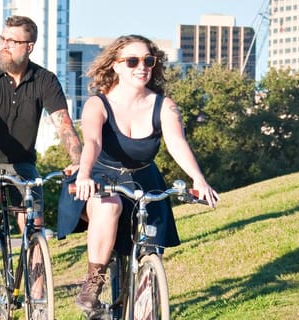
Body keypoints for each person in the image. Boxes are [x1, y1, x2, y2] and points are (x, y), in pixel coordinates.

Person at [57, 35, 220, 313]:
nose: (141, 66)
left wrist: (198, 179)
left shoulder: (164, 105)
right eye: (132, 61)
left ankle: (145, 299)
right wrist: (83, 175)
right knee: (109, 207)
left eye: (148, 60)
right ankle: (93, 284)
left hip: (145, 180)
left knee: (150, 247)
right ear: (116, 66)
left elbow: (177, 143)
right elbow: (93, 144)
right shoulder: (99, 104)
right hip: (101, 177)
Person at [0, 15, 82, 294]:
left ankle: (38, 302)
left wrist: (78, 162)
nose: (4, 46)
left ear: (29, 46)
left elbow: (63, 124)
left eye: (12, 41)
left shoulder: (45, 80)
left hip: (23, 165)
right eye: (2, 39)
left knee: (34, 226)